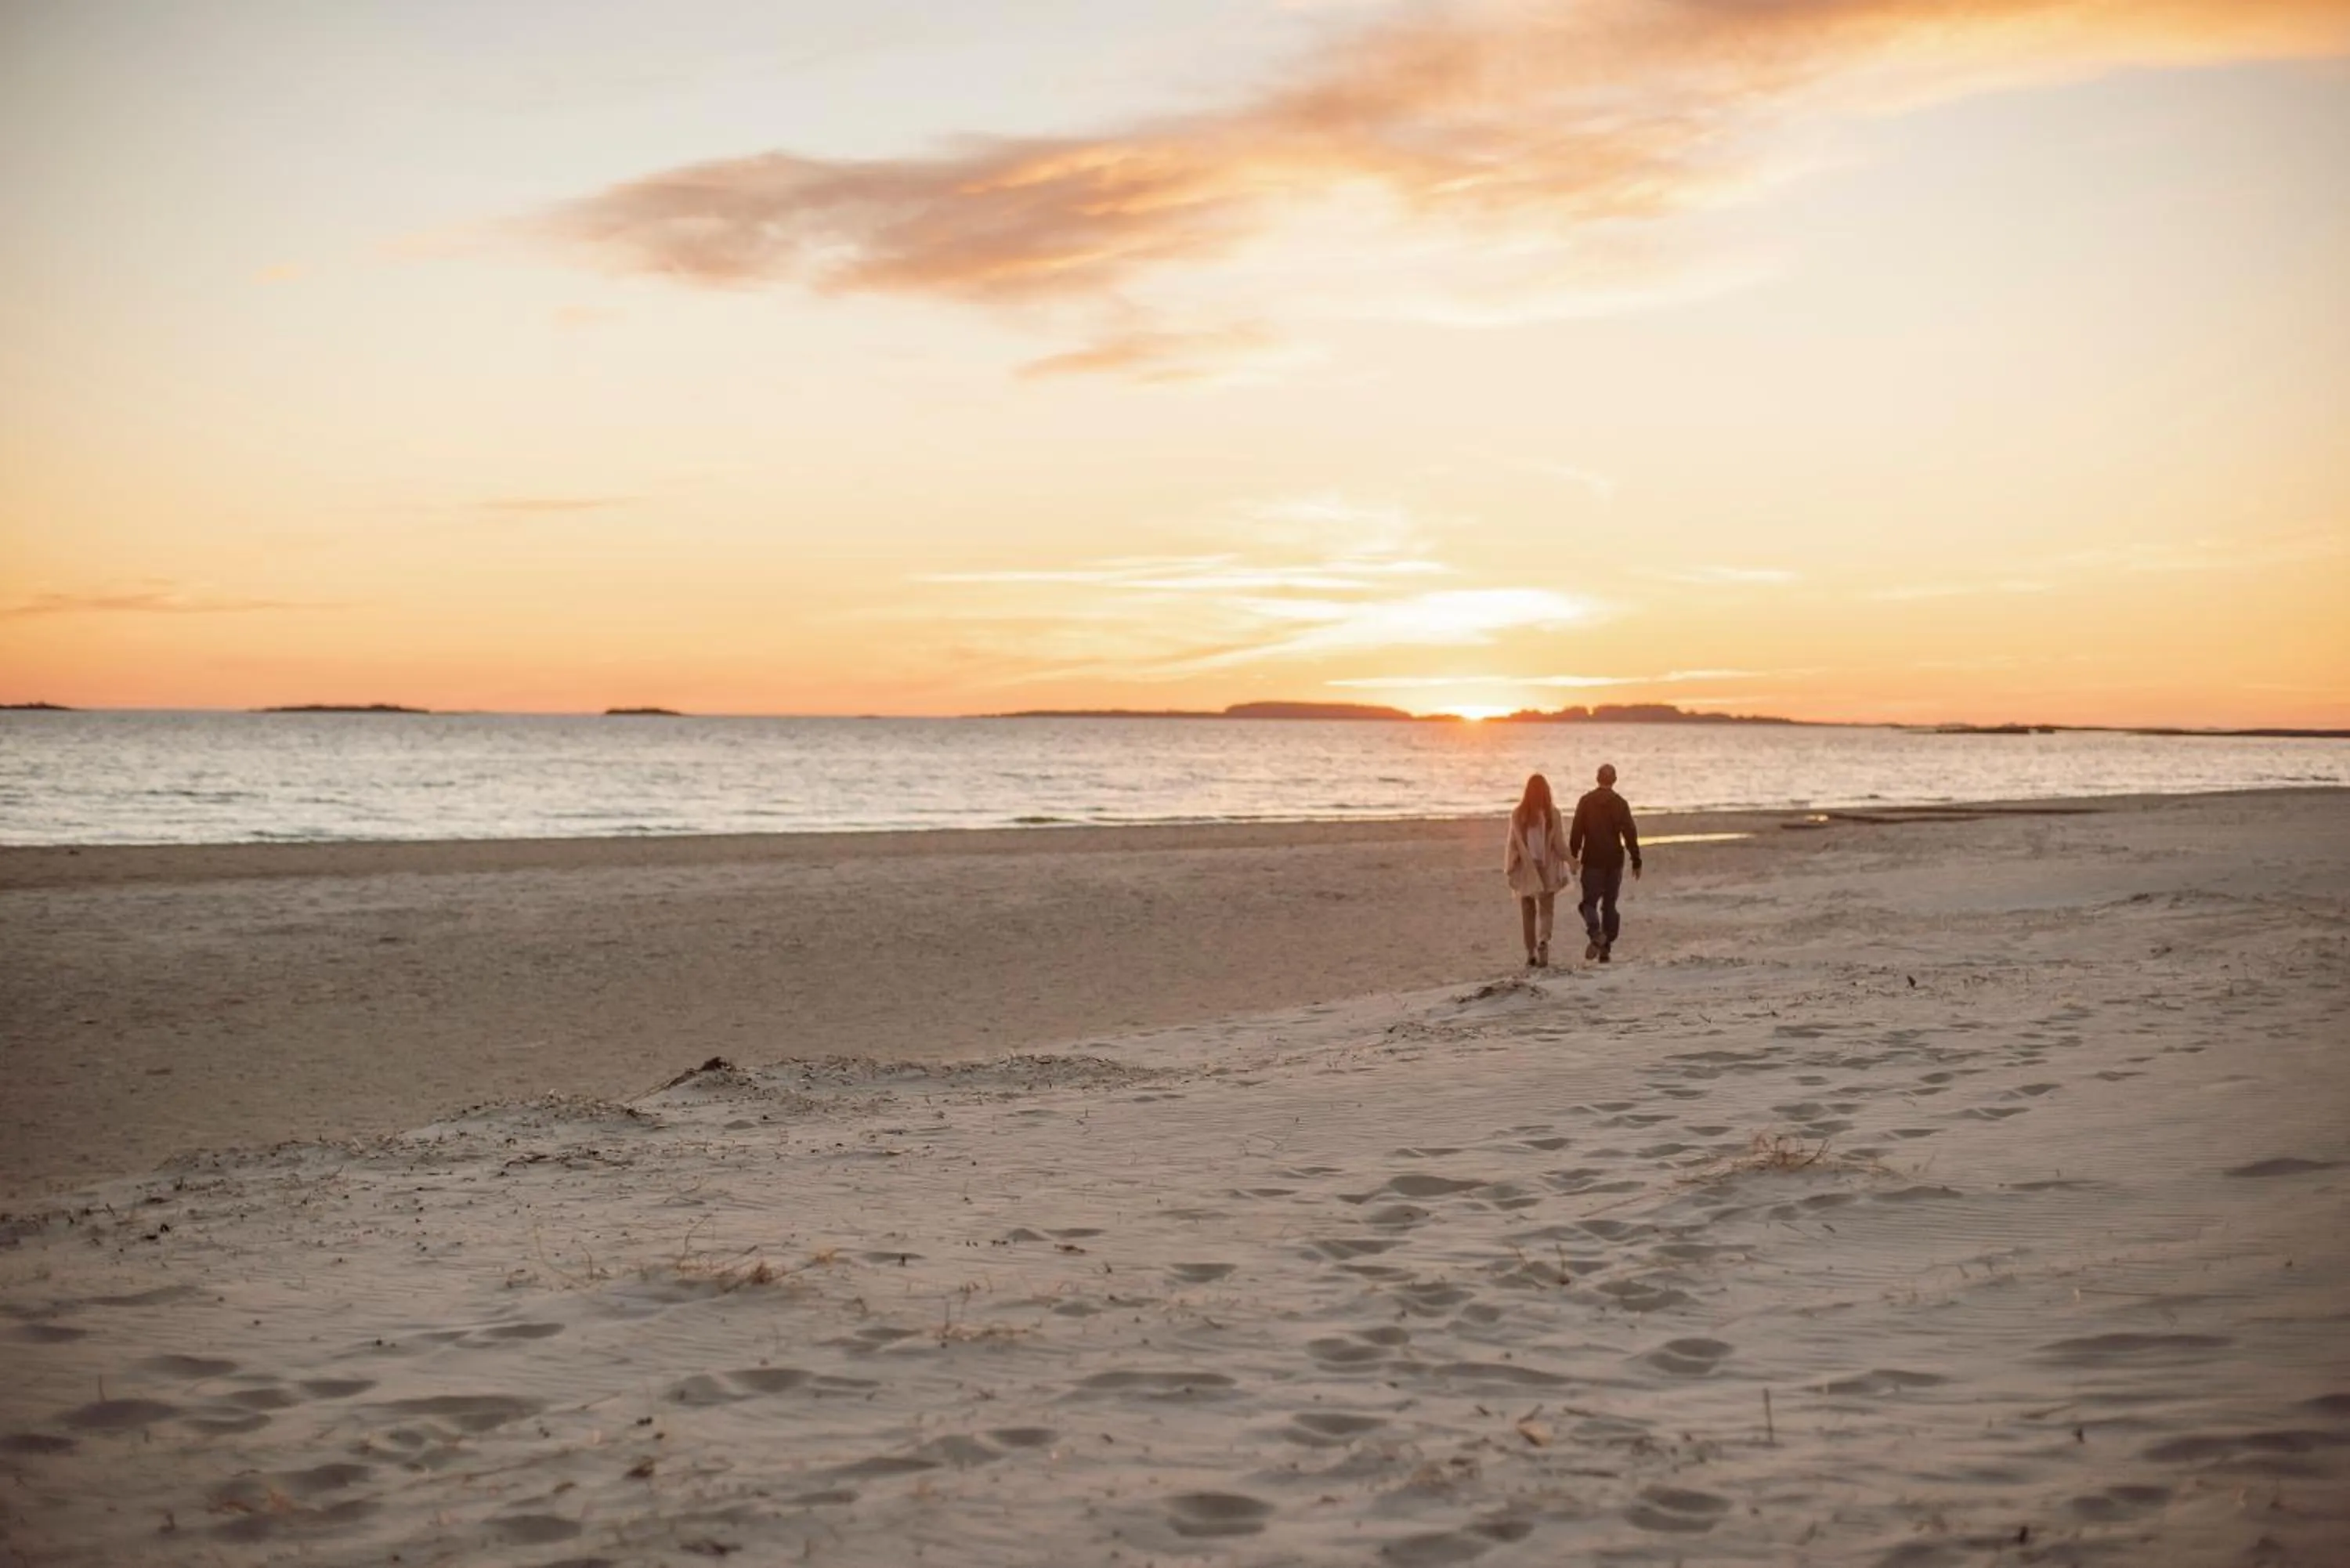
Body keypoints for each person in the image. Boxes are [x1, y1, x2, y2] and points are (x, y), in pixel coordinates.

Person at [1567, 762, 1642, 963]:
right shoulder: (1620, 803)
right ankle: (1605, 947)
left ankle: (1595, 934)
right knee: (1609, 905)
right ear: (1615, 780)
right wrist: (1636, 859)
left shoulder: (1586, 801)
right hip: (1614, 860)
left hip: (1593, 860)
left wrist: (1573, 856)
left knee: (1588, 903)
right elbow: (1630, 833)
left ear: (1597, 778)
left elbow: (1576, 832)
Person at [1503, 772, 1572, 967]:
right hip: (1547, 866)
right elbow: (1559, 844)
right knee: (1547, 909)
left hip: (1526, 867)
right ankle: (1543, 939)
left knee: (1528, 910)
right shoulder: (1553, 813)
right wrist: (1571, 861)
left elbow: (1513, 842)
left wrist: (1510, 865)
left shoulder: (1519, 813)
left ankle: (1531, 952)